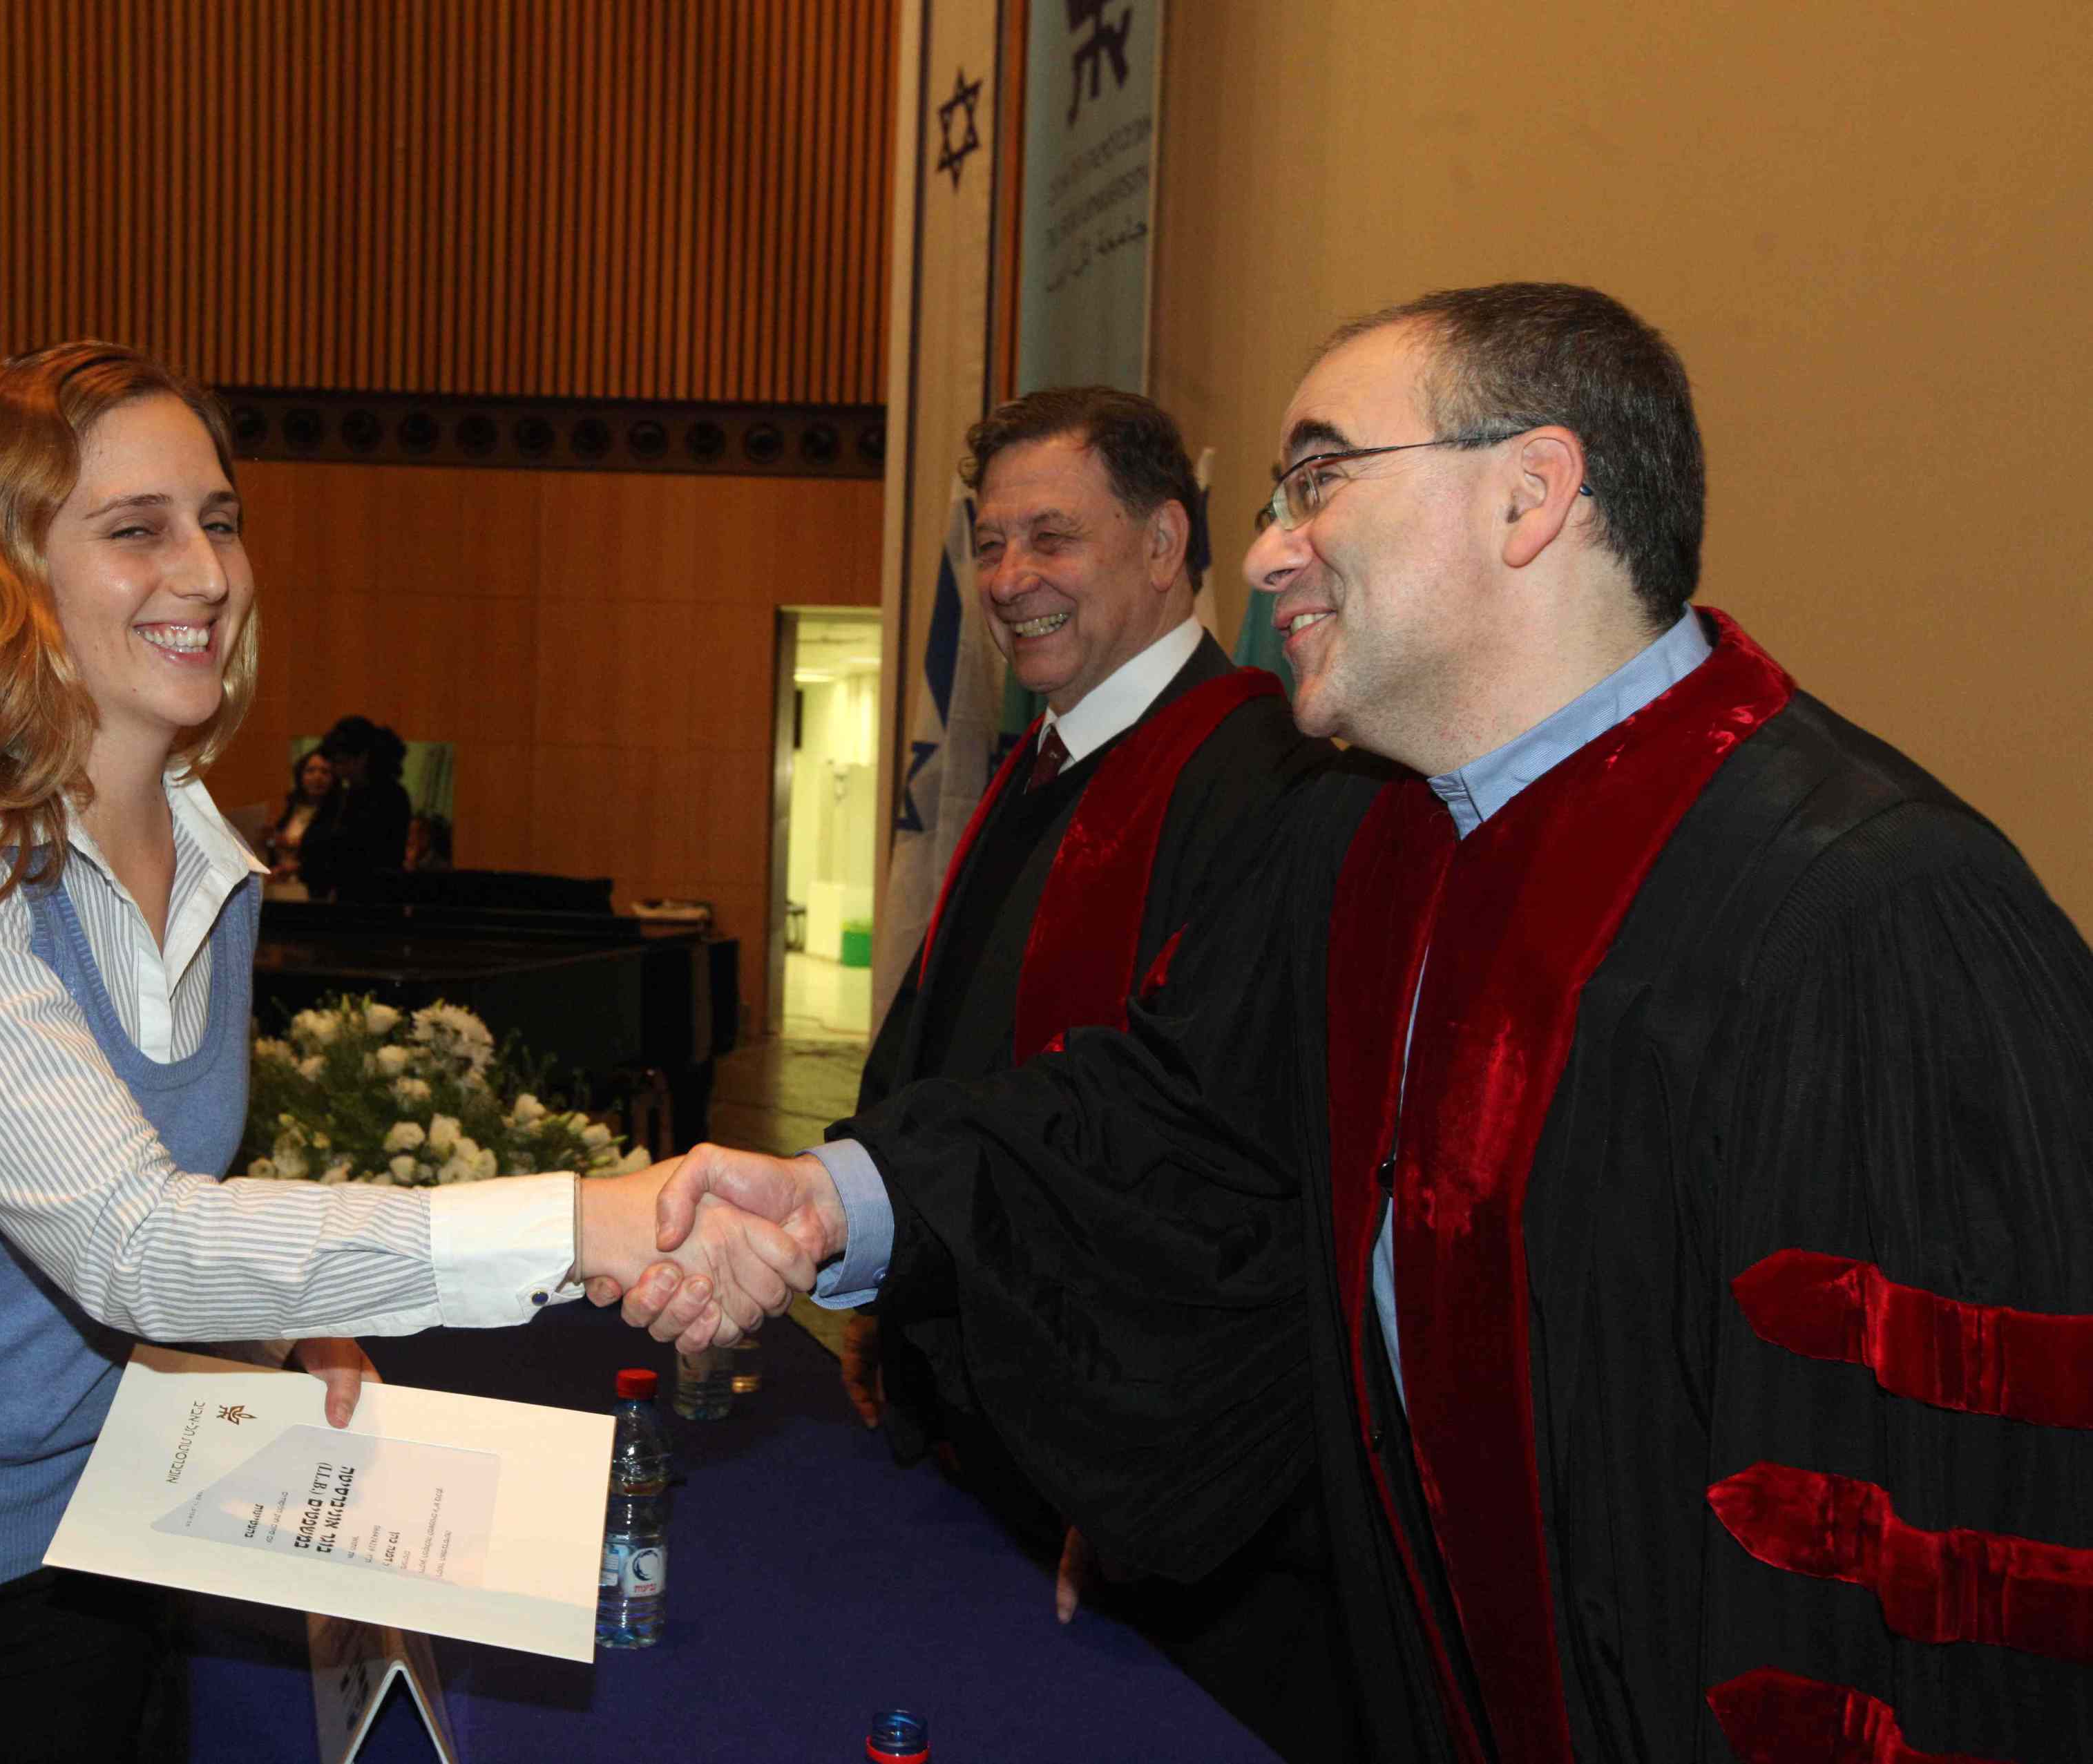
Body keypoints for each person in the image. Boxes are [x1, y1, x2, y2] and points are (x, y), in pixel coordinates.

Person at [621, 285, 2093, 1760]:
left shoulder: (1867, 921)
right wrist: (838, 1198)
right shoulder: (1364, 844)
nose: (1267, 549)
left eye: (1317, 479)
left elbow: (1920, 1562)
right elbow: (1165, 1129)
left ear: (1531, 494)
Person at [0, 341, 807, 1764]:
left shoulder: (213, 864)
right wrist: (583, 1215)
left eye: (219, 519)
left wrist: (272, 1327)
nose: (206, 571)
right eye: (137, 528)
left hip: (50, 1554)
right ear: (5, 571)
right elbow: (125, 1240)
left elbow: (128, 1202)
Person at [841, 385, 1350, 1754]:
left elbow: (1227, 1164)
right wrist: (886, 1275)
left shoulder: (1258, 777)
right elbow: (938, 1034)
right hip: (982, 1423)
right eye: (990, 544)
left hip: (1109, 1462)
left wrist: (1137, 1464)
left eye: (1051, 538)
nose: (1009, 579)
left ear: (1164, 542)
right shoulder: (1041, 756)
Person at [296, 714, 412, 899]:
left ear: (362, 758)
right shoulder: (348, 793)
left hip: (375, 895)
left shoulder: (389, 797)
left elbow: (360, 851)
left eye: (341, 762)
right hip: (351, 893)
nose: (337, 769)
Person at [262, 747, 335, 899]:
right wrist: (270, 840)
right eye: (311, 771)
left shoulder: (337, 813)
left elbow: (327, 854)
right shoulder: (293, 809)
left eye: (325, 772)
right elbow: (274, 845)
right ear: (300, 776)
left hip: (314, 890)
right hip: (281, 887)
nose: (318, 777)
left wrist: (295, 866)